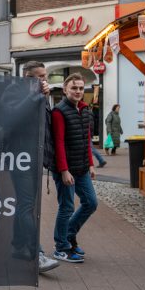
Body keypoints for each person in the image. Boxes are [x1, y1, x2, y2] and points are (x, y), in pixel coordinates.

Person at [0, 61, 59, 273]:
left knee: (26, 204)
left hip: (35, 157)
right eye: (39, 76)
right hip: (19, 157)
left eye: (45, 76)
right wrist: (35, 96)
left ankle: (17, 246)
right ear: (27, 76)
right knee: (26, 205)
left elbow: (45, 127)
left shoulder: (41, 95)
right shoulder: (13, 90)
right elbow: (11, 119)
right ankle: (38, 254)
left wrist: (50, 157)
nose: (44, 80)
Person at [51, 73, 98, 263]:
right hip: (66, 169)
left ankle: (69, 234)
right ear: (65, 90)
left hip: (82, 167)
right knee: (67, 207)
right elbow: (59, 142)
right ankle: (61, 247)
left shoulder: (86, 110)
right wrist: (63, 170)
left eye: (80, 88)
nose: (78, 91)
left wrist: (91, 164)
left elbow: (87, 140)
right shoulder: (58, 112)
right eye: (74, 88)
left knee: (91, 203)